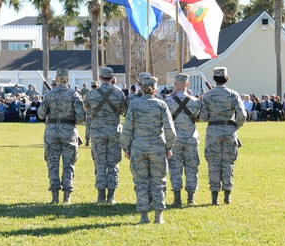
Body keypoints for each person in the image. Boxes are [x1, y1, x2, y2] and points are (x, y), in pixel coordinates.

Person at [121, 75, 176, 224]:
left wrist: (126, 147)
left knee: (141, 182)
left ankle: (144, 216)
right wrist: (168, 147)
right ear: (155, 89)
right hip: (157, 147)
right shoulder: (161, 104)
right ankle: (158, 216)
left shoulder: (134, 104)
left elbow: (127, 129)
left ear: (141, 88)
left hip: (138, 147)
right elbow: (170, 130)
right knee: (158, 182)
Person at [37, 67, 86, 204]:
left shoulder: (49, 94)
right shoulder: (73, 94)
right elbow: (81, 117)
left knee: (52, 163)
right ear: (67, 80)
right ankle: (67, 197)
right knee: (68, 164)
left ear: (57, 80)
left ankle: (54, 197)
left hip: (52, 131)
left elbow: (40, 115)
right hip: (69, 131)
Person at [198, 67, 246, 205]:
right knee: (228, 163)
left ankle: (214, 197)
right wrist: (235, 126)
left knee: (213, 163)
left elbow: (202, 117)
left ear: (214, 79)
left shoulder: (207, 95)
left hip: (213, 130)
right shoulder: (233, 94)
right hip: (229, 130)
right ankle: (227, 196)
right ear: (226, 78)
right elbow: (242, 115)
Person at [83, 67, 128, 205]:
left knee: (100, 163)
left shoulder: (92, 94)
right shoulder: (119, 93)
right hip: (114, 132)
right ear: (112, 78)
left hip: (97, 133)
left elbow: (86, 107)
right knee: (113, 163)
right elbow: (123, 110)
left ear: (100, 78)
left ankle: (101, 197)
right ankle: (111, 197)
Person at [166, 73, 201, 206]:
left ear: (175, 85)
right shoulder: (195, 102)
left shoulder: (167, 101)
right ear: (187, 85)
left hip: (175, 140)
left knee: (175, 169)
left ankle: (177, 198)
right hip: (191, 139)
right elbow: (200, 116)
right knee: (192, 168)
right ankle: (191, 198)